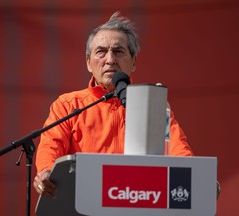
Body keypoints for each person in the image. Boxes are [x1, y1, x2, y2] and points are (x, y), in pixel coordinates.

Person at [33, 12, 194, 198]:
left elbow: (178, 149)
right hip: (83, 200)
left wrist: (193, 177)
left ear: (133, 62)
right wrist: (46, 171)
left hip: (136, 199)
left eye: (118, 51)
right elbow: (51, 145)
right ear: (88, 63)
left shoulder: (151, 104)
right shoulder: (68, 105)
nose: (110, 60)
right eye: (101, 52)